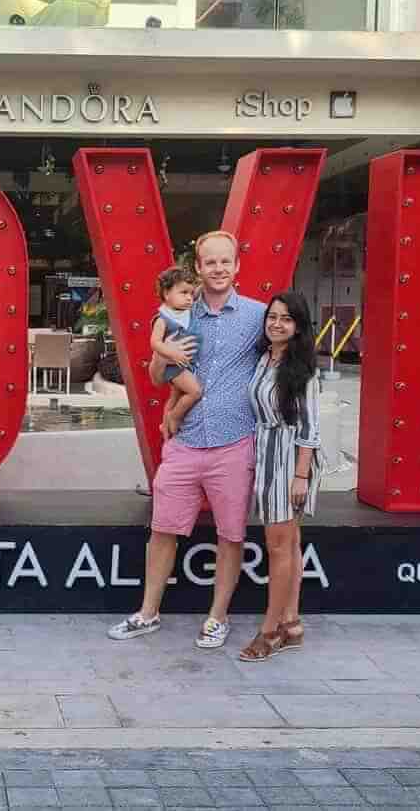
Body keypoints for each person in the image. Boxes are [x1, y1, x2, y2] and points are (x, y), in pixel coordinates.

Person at [108, 231, 266, 649]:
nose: (217, 269)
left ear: (237, 266)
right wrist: (164, 359)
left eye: (225, 262)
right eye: (209, 263)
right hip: (185, 442)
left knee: (231, 534)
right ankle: (148, 613)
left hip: (235, 443)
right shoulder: (181, 313)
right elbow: (157, 376)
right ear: (198, 268)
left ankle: (217, 618)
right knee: (162, 528)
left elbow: (284, 364)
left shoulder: (257, 316)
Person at [239, 291, 323, 662]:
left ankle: (269, 631)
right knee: (289, 544)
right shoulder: (263, 358)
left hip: (290, 461)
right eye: (272, 316)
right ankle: (292, 624)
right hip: (266, 454)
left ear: (298, 326)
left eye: (286, 319)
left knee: (278, 547)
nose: (276, 323)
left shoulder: (302, 370)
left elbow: (311, 428)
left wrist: (300, 476)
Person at [149, 266, 202, 440]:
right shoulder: (163, 318)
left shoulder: (186, 312)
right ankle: (175, 416)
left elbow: (201, 290)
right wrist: (172, 354)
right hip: (175, 366)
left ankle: (165, 426)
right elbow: (155, 342)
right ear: (166, 294)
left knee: (176, 395)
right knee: (194, 392)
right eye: (183, 293)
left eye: (191, 294)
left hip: (185, 364)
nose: (189, 298)